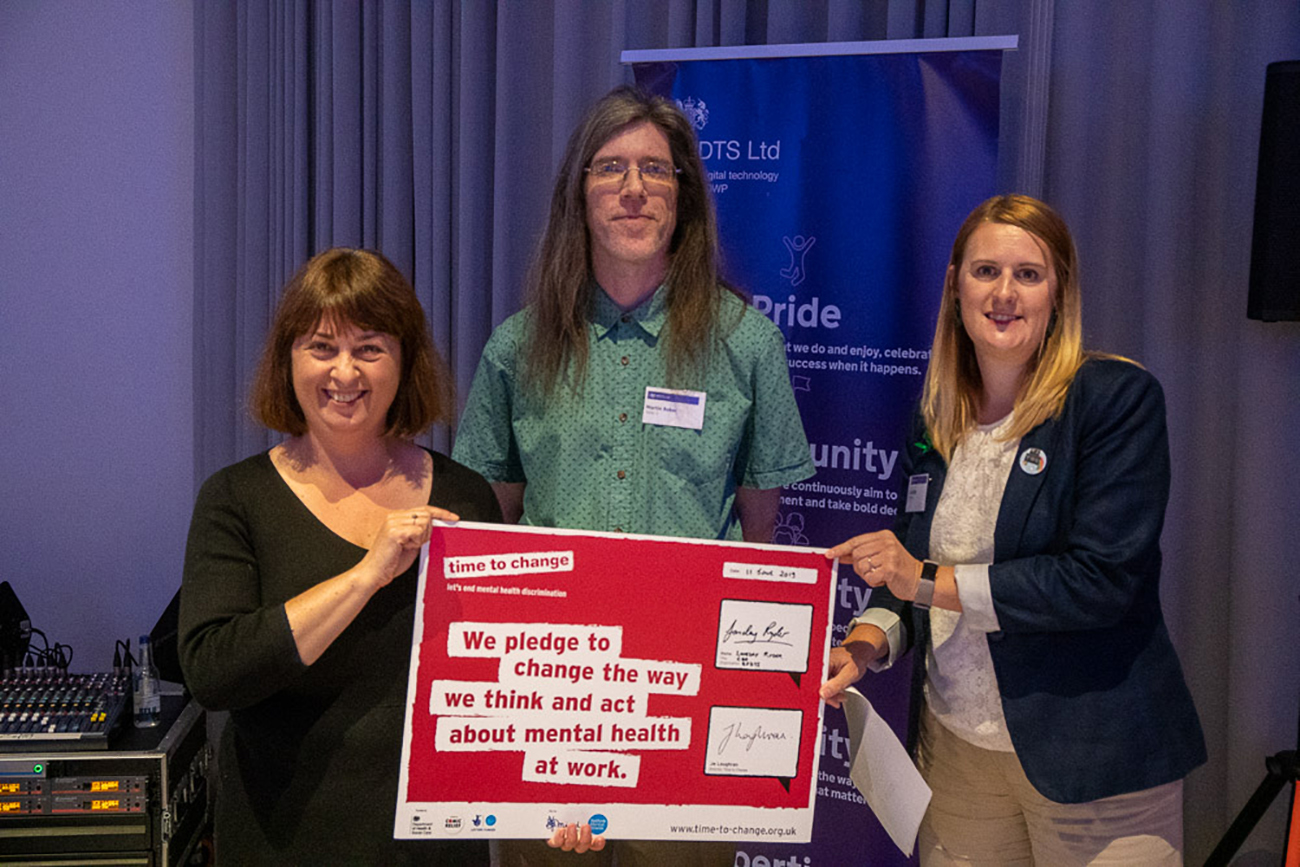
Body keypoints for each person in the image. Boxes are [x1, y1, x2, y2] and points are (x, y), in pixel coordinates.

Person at [452, 85, 814, 866]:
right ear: (577, 195)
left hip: (686, 704)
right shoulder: (516, 349)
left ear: (683, 196)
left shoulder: (746, 344)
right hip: (549, 696)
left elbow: (760, 535)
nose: (633, 187)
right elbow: (486, 527)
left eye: (656, 169)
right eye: (610, 167)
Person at [820, 195, 1206, 865]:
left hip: (1091, 759)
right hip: (958, 757)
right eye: (985, 271)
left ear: (1059, 291)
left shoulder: (1115, 400)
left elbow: (1099, 581)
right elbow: (911, 560)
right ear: (954, 286)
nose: (1004, 293)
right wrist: (864, 641)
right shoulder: (938, 415)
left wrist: (925, 580)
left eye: (1028, 274)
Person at [179, 248, 500, 865]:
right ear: (287, 360)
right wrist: (365, 576)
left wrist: (558, 800)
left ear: (404, 364)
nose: (345, 372)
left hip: (430, 848)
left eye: (370, 348)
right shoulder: (235, 498)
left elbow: (508, 676)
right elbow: (214, 674)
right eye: (321, 346)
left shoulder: (465, 496)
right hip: (282, 840)